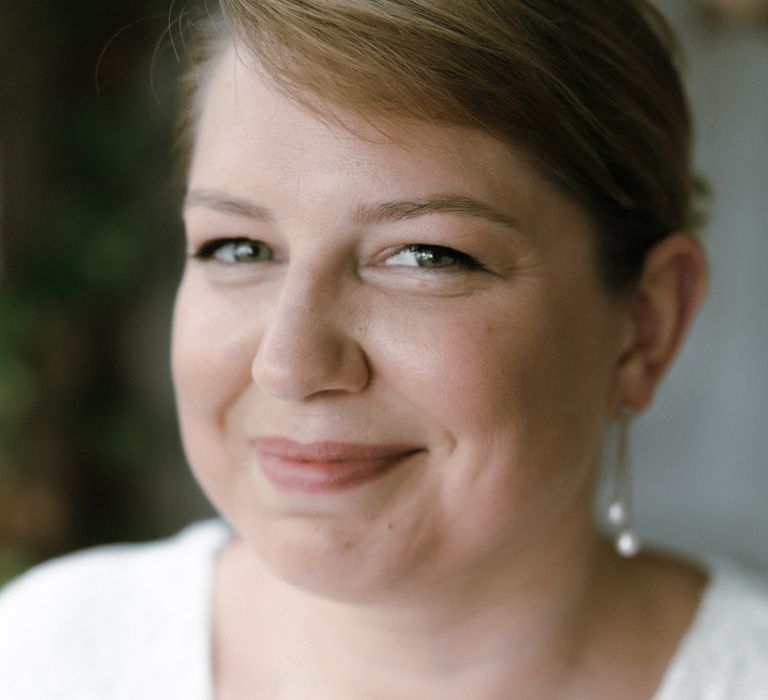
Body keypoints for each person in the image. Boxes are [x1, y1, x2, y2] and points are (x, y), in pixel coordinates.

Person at [1, 1, 767, 698]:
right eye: (238, 247)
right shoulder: (44, 656)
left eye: (425, 256)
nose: (288, 365)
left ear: (644, 324)